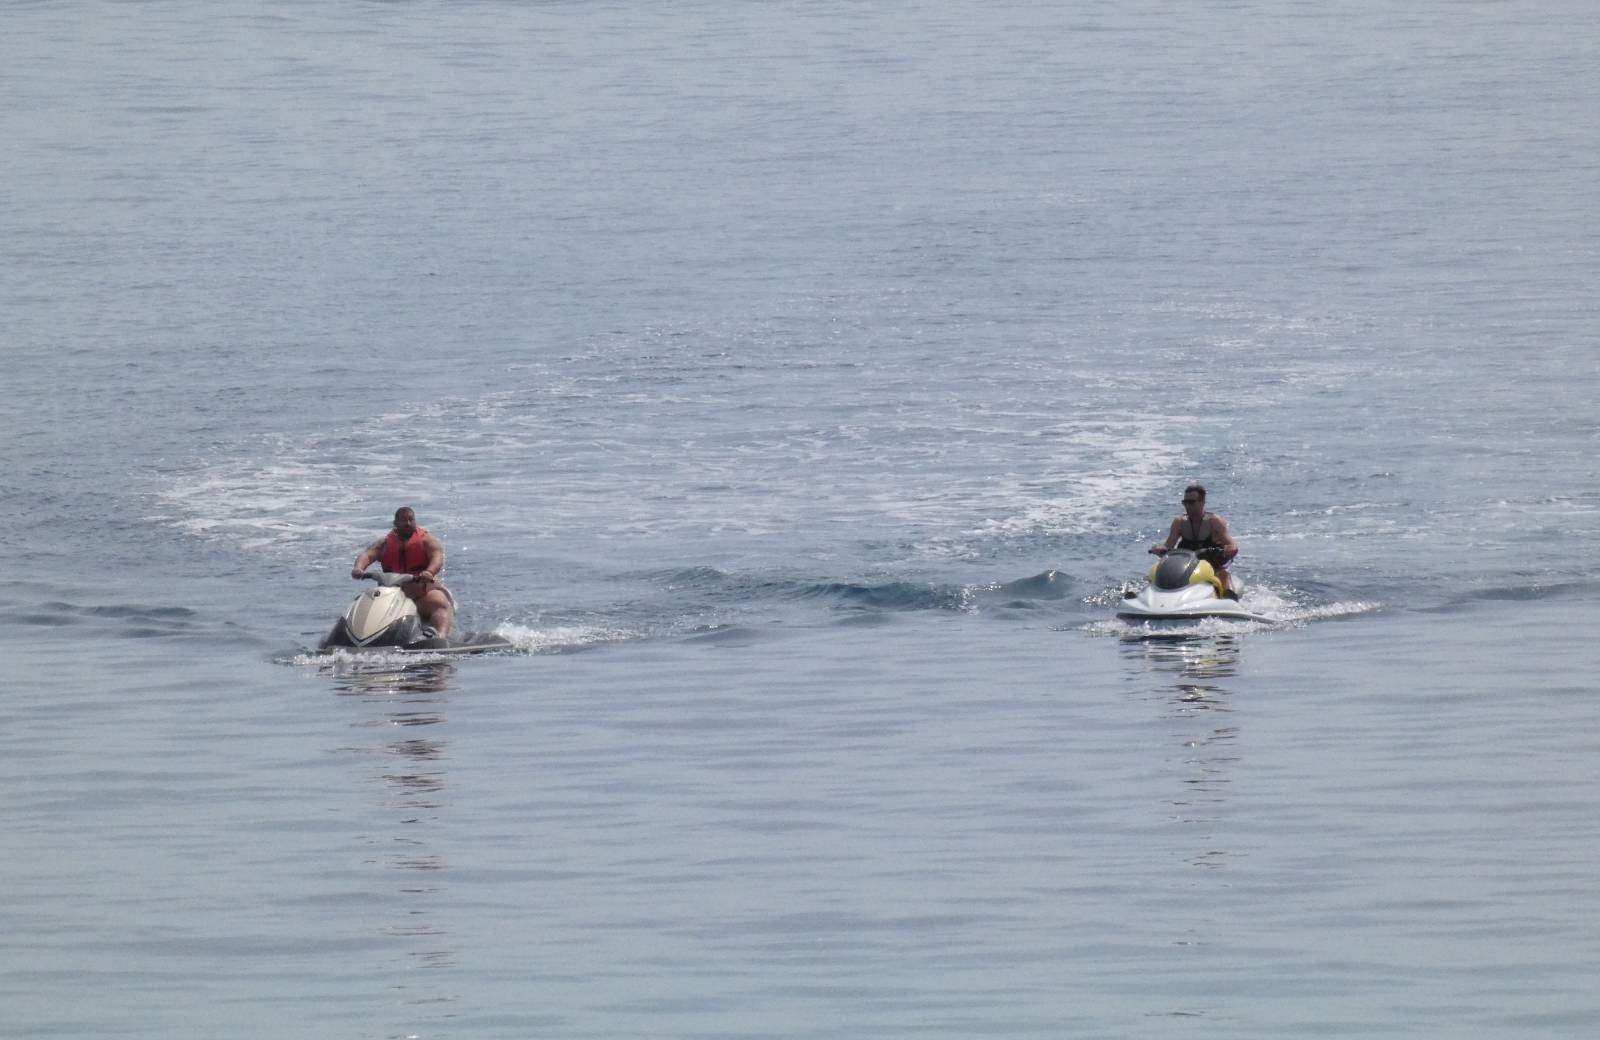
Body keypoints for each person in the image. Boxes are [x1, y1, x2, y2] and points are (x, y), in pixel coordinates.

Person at [351, 506, 453, 637]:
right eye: (404, 520)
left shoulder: (427, 541)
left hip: (421, 593)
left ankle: (440, 636)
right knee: (363, 601)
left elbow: (437, 557)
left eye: (411, 519)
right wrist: (358, 568)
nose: (408, 523)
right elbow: (367, 555)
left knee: (439, 603)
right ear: (395, 523)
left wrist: (429, 572)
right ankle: (355, 634)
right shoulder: (384, 543)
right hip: (391, 595)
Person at [1149, 484, 1240, 597]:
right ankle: (1145, 596)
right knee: (1156, 572)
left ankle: (1229, 599)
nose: (1187, 505)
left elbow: (1231, 544)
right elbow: (1169, 545)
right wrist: (1160, 549)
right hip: (1186, 565)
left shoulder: (1215, 521)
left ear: (1202, 503)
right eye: (1185, 502)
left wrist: (1231, 548)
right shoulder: (1179, 522)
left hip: (1211, 564)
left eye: (1191, 502)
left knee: (1223, 574)